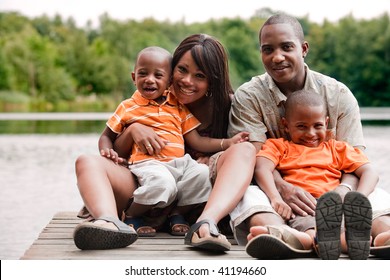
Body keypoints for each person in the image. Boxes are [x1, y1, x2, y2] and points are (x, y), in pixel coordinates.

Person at [228, 13, 390, 259]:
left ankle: (381, 236)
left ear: (303, 49)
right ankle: (281, 235)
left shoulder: (338, 95)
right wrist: (281, 190)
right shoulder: (249, 96)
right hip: (278, 188)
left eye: (286, 47)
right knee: (247, 191)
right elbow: (255, 161)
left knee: (375, 195)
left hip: (336, 190)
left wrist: (345, 192)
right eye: (267, 49)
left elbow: (359, 165)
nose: (277, 57)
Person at [114, 34, 257, 251]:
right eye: (182, 70)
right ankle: (133, 216)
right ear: (171, 69)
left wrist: (217, 155)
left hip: (196, 194)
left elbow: (240, 154)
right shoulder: (155, 98)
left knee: (204, 172)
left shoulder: (227, 105)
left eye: (199, 75)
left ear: (212, 80)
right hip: (152, 187)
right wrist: (133, 130)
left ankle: (199, 220)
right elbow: (118, 152)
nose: (187, 81)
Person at [251, 89, 377, 259]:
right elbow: (261, 168)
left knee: (334, 230)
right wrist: (275, 198)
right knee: (310, 228)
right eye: (301, 126)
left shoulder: (337, 148)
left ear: (326, 123)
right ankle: (325, 241)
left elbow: (369, 172)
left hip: (334, 206)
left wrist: (356, 199)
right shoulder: (279, 146)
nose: (310, 134)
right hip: (301, 206)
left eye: (317, 126)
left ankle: (362, 241)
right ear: (286, 125)